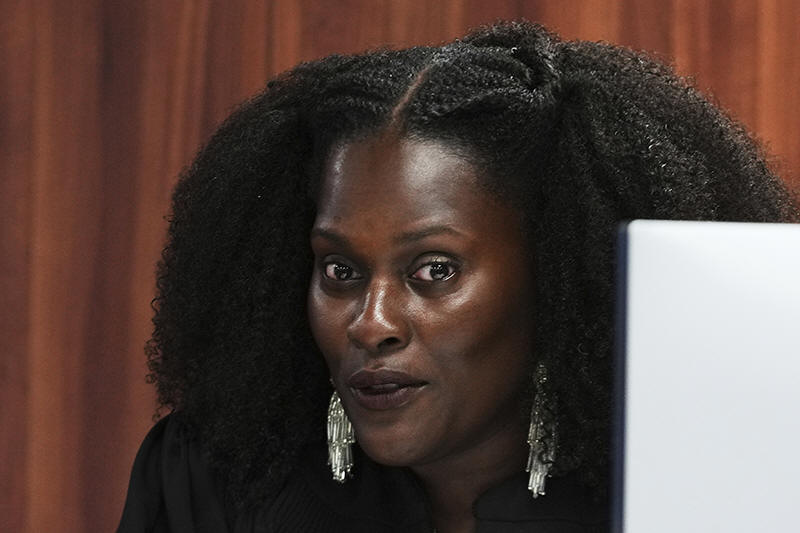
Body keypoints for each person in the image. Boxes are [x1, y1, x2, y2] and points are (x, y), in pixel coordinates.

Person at [117, 21, 799, 533]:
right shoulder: (211, 485)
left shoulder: (685, 503)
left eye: (434, 270)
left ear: (554, 279)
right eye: (341, 270)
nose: (371, 323)